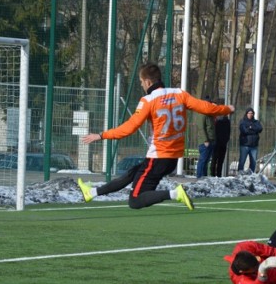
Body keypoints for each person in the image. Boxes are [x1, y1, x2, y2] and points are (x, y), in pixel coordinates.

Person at [78, 63, 234, 210]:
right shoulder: (179, 93)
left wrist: (101, 135)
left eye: (141, 81)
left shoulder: (148, 100)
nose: (140, 85)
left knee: (135, 200)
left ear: (147, 82)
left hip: (158, 157)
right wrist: (226, 109)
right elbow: (205, 107)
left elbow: (129, 128)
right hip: (173, 158)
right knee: (133, 172)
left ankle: (175, 194)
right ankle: (92, 193)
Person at [237, 108, 263, 173]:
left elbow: (260, 128)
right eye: (249, 113)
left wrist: (251, 128)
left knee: (253, 162)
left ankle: (251, 175)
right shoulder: (242, 121)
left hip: (254, 145)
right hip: (245, 145)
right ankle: (240, 173)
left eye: (252, 113)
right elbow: (244, 131)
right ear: (246, 114)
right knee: (242, 161)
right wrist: (254, 130)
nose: (250, 115)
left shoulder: (256, 122)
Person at [196, 97, 215, 178]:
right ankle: (200, 176)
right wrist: (205, 140)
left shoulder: (209, 114)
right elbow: (201, 128)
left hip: (211, 141)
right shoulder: (202, 114)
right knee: (203, 160)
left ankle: (204, 176)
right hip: (205, 142)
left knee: (206, 160)